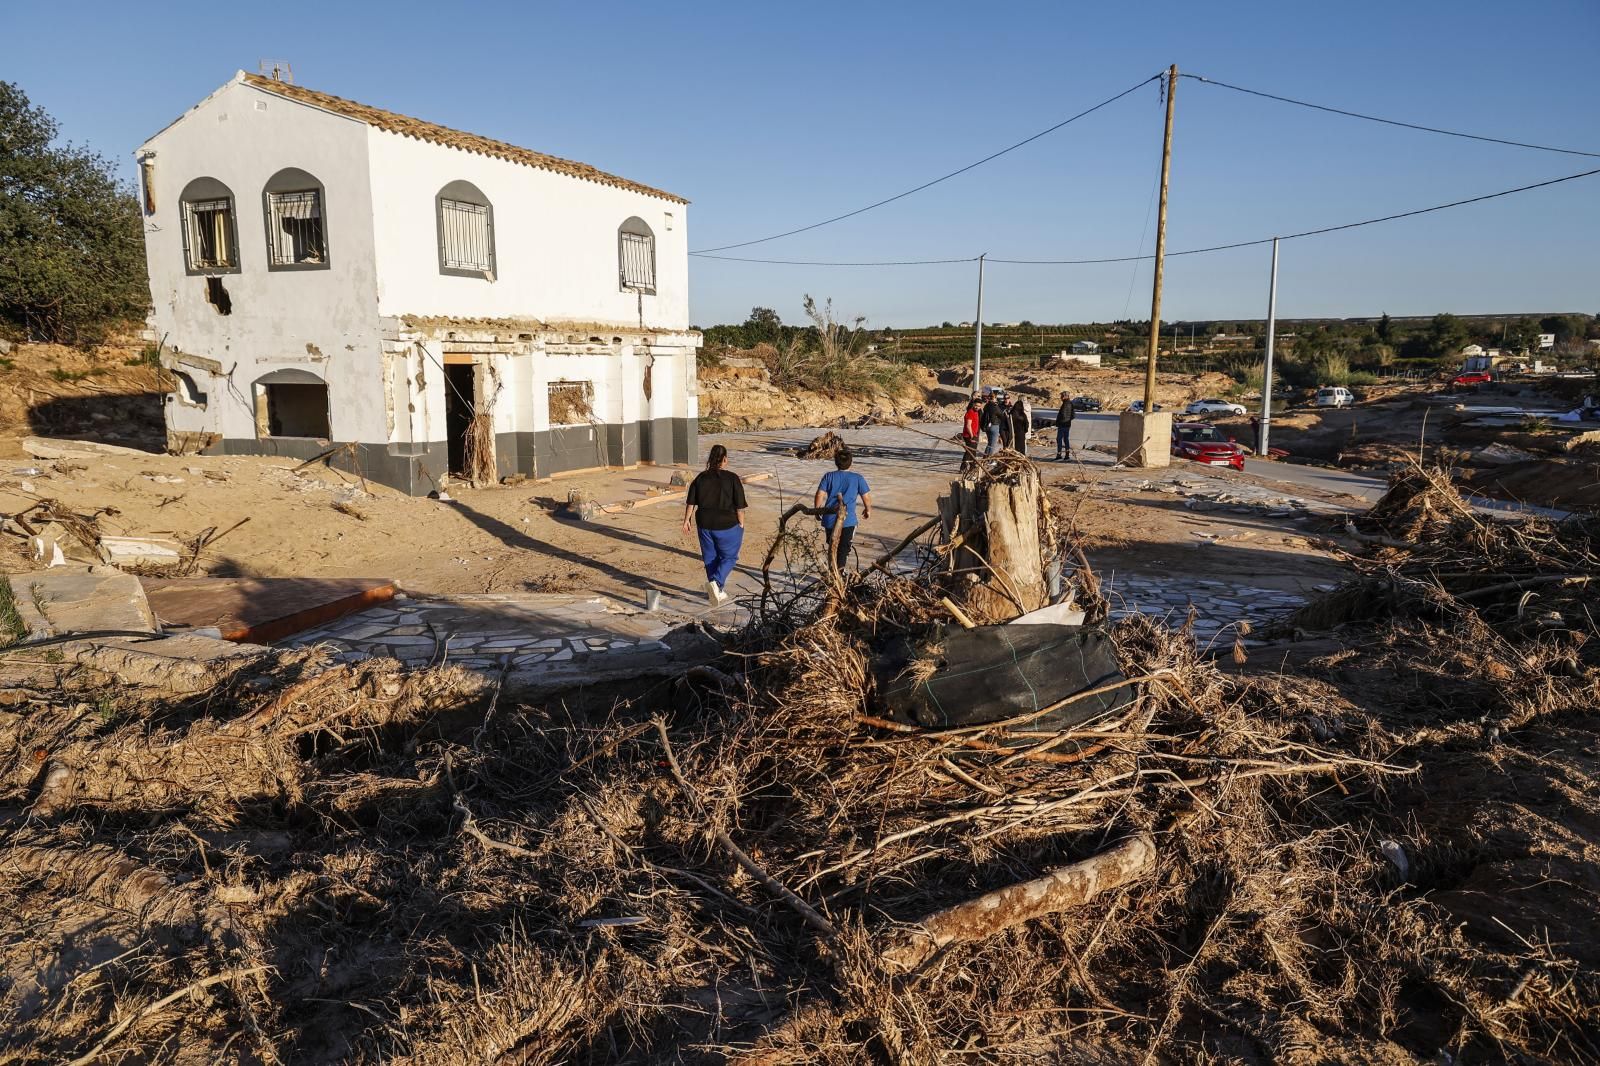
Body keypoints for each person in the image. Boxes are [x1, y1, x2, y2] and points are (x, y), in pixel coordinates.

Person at [682, 444, 747, 606]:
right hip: (727, 525)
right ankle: (717, 583)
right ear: (725, 459)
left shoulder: (700, 478)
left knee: (710, 558)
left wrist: (686, 520)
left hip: (704, 524)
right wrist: (741, 525)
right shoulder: (732, 478)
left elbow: (691, 502)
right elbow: (740, 507)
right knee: (729, 557)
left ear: (710, 459)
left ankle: (716, 591)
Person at [814, 450, 871, 570]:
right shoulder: (858, 478)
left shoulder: (828, 476)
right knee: (844, 548)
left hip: (829, 518)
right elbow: (866, 496)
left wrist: (817, 510)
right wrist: (868, 509)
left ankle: (833, 571)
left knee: (832, 546)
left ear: (836, 462)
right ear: (851, 463)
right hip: (848, 520)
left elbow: (820, 494)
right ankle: (839, 572)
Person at [960, 396, 982, 471]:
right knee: (969, 452)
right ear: (973, 404)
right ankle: (963, 468)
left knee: (973, 451)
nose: (977, 407)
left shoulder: (976, 412)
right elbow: (968, 425)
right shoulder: (970, 412)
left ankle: (972, 466)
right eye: (976, 405)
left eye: (979, 406)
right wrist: (972, 436)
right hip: (969, 435)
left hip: (973, 435)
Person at [981, 391, 1004, 455]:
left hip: (987, 426)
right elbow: (1001, 415)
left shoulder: (986, 406)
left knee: (989, 443)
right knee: (992, 445)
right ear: (995, 398)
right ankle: (989, 459)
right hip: (994, 426)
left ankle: (985, 457)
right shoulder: (994, 406)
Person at [1054, 391, 1074, 460]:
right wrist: (1068, 420)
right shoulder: (1070, 403)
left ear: (1065, 396)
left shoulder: (1065, 404)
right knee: (1066, 439)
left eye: (1062, 396)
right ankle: (1067, 455)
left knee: (1059, 439)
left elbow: (1062, 415)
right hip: (1067, 425)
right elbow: (1073, 415)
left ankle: (1059, 454)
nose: (1061, 397)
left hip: (1063, 425)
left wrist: (1061, 421)